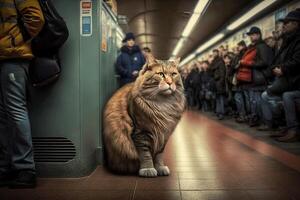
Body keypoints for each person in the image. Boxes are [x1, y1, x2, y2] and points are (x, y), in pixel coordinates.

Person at [0, 0, 45, 188]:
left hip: (14, 57)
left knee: (16, 112)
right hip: (5, 58)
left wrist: (10, 42)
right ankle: (6, 167)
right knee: (4, 116)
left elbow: (36, 18)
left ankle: (26, 168)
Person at [262, 9, 300, 142]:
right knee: (270, 95)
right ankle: (285, 126)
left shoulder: (296, 40)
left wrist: (283, 69)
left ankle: (291, 128)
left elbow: (297, 61)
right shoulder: (287, 41)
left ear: (297, 24)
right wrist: (276, 68)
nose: (284, 25)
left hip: (294, 79)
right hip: (288, 78)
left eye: (288, 23)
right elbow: (277, 60)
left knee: (279, 95)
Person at [243, 26, 274, 127]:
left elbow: (264, 62)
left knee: (258, 101)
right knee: (255, 100)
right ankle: (260, 120)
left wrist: (250, 63)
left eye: (252, 35)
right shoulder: (256, 46)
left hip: (260, 77)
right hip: (257, 77)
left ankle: (264, 121)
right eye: (250, 35)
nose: (251, 37)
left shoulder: (261, 46)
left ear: (258, 35)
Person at [210, 49, 226, 120]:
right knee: (217, 98)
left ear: (218, 53)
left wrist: (221, 82)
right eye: (213, 53)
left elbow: (222, 73)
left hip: (219, 82)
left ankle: (221, 113)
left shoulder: (220, 61)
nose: (214, 54)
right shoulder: (213, 62)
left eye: (215, 53)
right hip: (215, 82)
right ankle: (218, 111)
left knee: (220, 98)